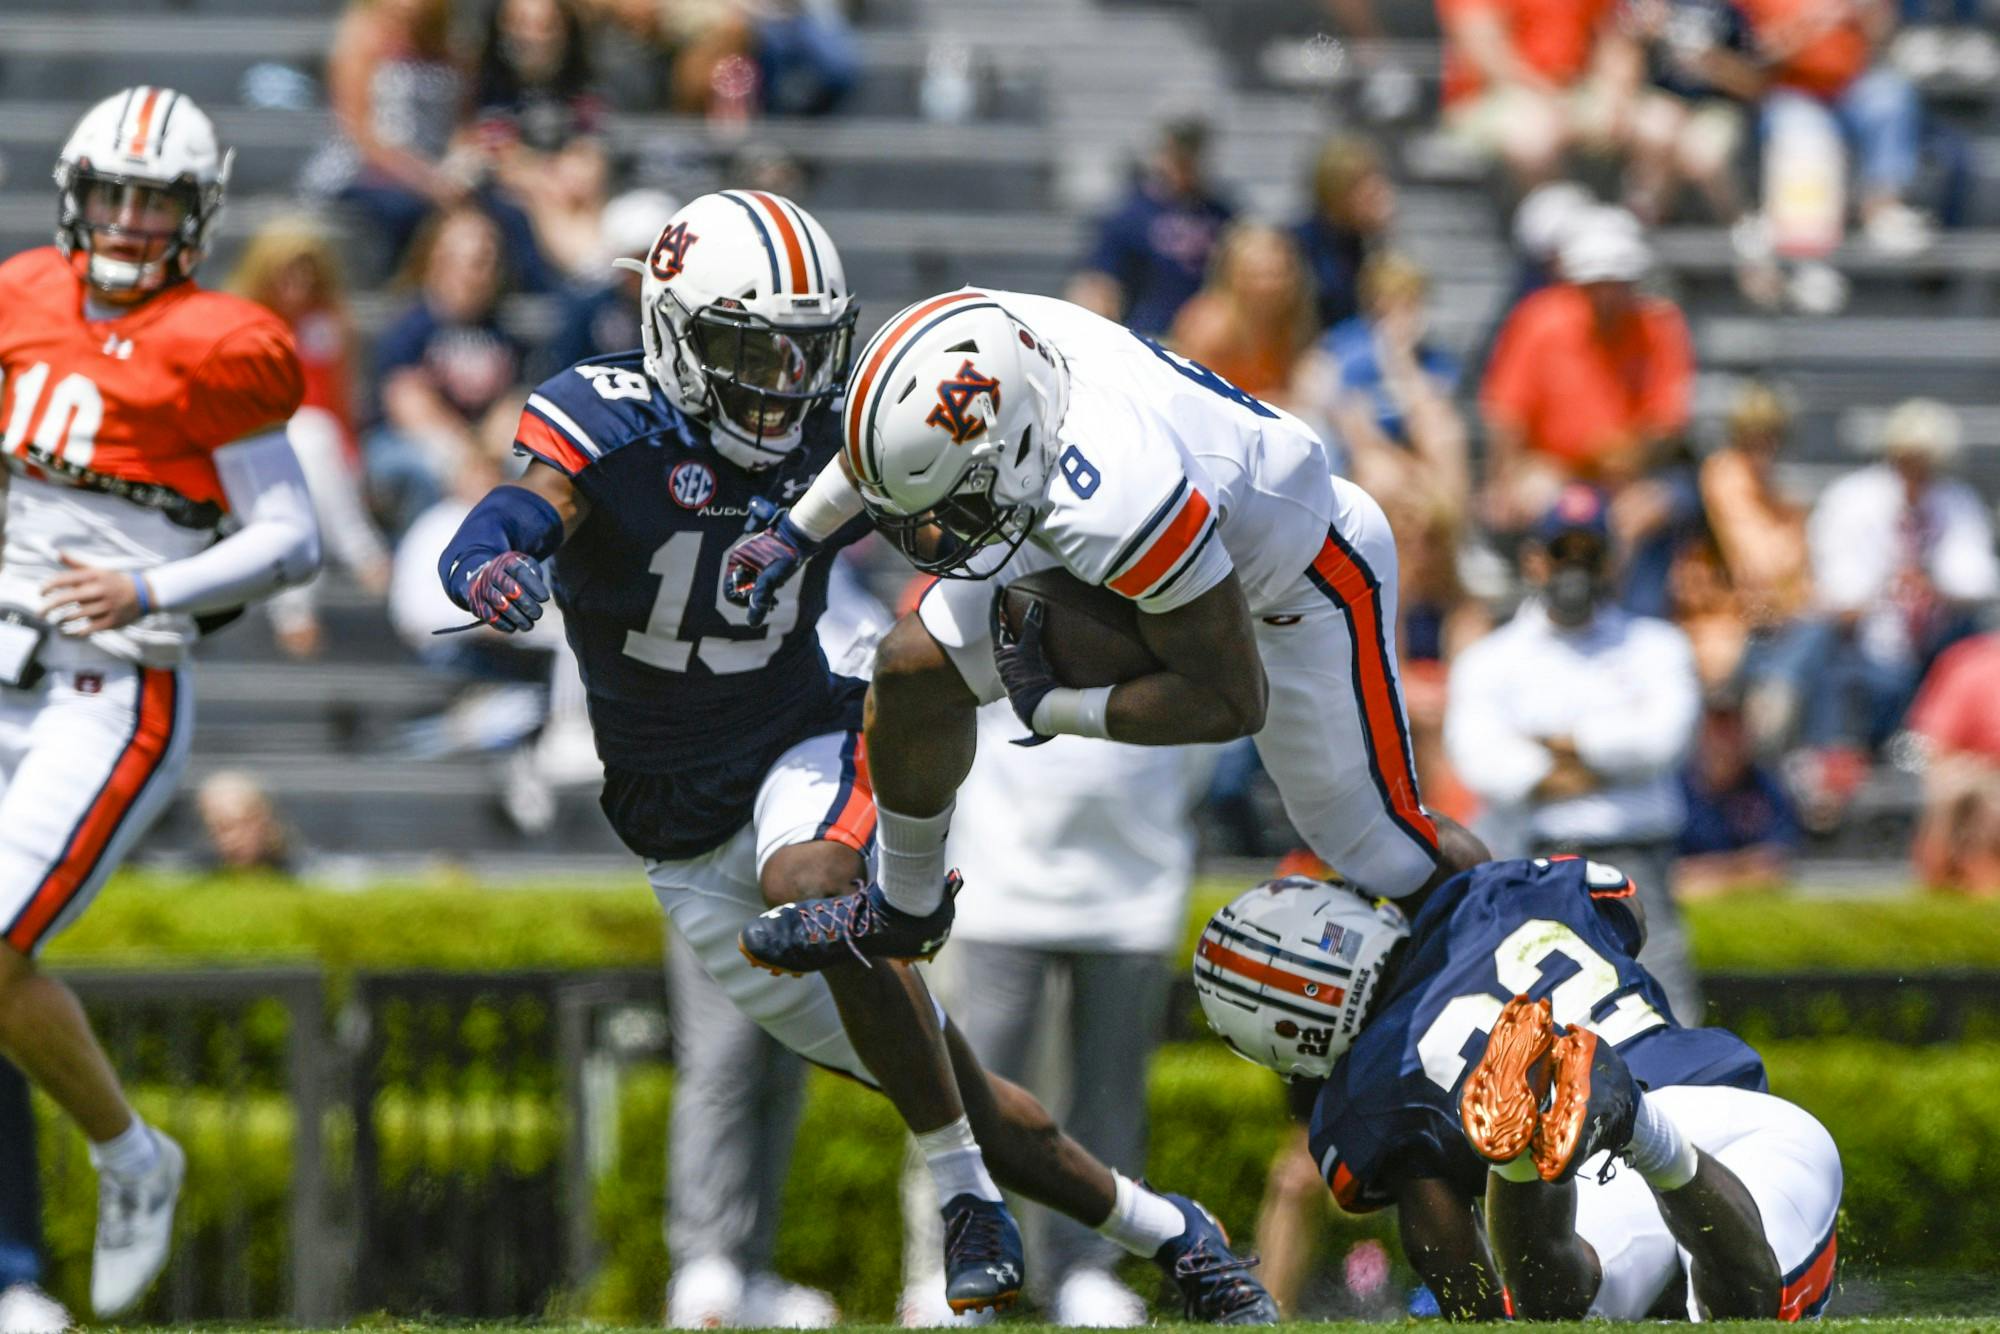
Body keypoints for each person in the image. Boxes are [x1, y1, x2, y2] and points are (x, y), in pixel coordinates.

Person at [433, 192, 1278, 1323]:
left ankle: (959, 1195)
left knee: (815, 881)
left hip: (804, 735)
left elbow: (966, 518)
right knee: (957, 1088)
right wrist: (489, 555)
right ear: (673, 336)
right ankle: (1170, 1233)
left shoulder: (838, 429)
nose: (785, 381)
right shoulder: (610, 420)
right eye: (752, 350)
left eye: (805, 348)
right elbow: (524, 504)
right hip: (677, 829)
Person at [721, 284, 1488, 989]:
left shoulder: (1118, 498)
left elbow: (1230, 699)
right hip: (1130, 524)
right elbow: (889, 443)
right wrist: (795, 533)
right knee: (912, 667)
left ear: (1010, 453)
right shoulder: (982, 346)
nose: (929, 534)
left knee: (1375, 846)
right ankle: (906, 909)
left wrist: (1051, 707)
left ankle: (1506, 947)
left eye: (952, 503)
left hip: (1295, 577)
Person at [0, 87, 319, 1317]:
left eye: (157, 201)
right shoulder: (25, 295)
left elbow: (290, 538)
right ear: (74, 196)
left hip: (109, 689)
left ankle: (131, 1156)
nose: (132, 221)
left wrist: (150, 583)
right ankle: (22, 1268)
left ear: (200, 212)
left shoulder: (215, 343)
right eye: (113, 195)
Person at [1193, 860, 1842, 1321]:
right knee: (1751, 1304)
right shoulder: (1490, 894)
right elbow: (1629, 913)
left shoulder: (1368, 1094)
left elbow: (1468, 1295)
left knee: (1552, 1309)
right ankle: (1629, 1122)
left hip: (1589, 1184)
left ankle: (1526, 1155)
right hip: (1730, 1108)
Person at [899, 700, 1218, 1326]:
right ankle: (953, 1263)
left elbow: (1204, 736)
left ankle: (1084, 1269)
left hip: (1136, 889)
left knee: (1109, 1096)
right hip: (997, 878)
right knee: (967, 1090)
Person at [1444, 486, 1702, 1019]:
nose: (1575, 569)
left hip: (1636, 861)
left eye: (1591, 554)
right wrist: (1609, 762)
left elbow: (1662, 740)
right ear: (1534, 559)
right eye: (1562, 552)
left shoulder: (1657, 645)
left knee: (1664, 1017)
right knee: (1525, 1025)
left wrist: (1558, 744)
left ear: (1612, 562)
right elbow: (1481, 761)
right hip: (1530, 859)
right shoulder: (1490, 660)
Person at [228, 216, 393, 659]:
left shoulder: (331, 325)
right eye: (286, 273)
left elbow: (339, 404)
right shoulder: (242, 327)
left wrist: (354, 462)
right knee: (305, 440)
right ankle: (362, 550)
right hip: (253, 453)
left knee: (311, 445)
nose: (297, 284)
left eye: (306, 273)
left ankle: (294, 611)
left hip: (319, 458)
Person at [1479, 210, 1694, 534]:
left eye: (1617, 284)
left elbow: (1668, 423)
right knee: (1541, 499)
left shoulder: (1660, 327)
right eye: (1596, 285)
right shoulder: (1540, 321)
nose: (1607, 296)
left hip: (1637, 476)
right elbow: (1507, 415)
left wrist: (1630, 456)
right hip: (1554, 471)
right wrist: (1504, 481)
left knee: (1649, 509)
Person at [1805, 398, 1997, 757]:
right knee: (1831, 653)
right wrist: (1888, 587)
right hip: (1865, 643)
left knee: (1971, 650)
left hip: (1936, 644)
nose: (1917, 471)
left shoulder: (1956, 502)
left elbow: (1976, 578)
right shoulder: (1851, 499)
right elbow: (1840, 590)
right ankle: (1836, 755)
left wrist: (1932, 586)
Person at [369, 206, 527, 534]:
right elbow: (410, 407)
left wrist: (489, 459)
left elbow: (511, 404)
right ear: (437, 260)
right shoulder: (411, 327)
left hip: (482, 448)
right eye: (472, 261)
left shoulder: (502, 330)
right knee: (421, 467)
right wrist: (464, 461)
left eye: (488, 261)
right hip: (416, 441)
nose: (480, 272)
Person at [1434, 0, 1642, 186]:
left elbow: (1615, 37)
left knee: (1655, 125)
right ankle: (1552, 211)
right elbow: (1486, 53)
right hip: (1490, 97)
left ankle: (1640, 211)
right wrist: (1552, 99)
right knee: (1536, 134)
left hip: (1573, 93)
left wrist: (1615, 95)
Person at [1066, 117, 1235, 337]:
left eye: (1190, 151)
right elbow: (1098, 284)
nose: (1183, 161)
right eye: (1176, 152)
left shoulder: (1222, 215)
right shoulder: (1129, 215)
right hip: (1148, 336)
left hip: (1208, 339)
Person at [1166, 223, 1316, 405]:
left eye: (1278, 274)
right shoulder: (1210, 330)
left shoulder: (1293, 324)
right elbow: (1195, 399)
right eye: (1255, 275)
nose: (1267, 286)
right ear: (1231, 277)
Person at [1675, 702, 1801, 898]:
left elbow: (1774, 866)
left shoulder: (1765, 786)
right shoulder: (1675, 789)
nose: (1724, 742)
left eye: (1733, 730)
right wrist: (1739, 867)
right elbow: (1668, 873)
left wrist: (1709, 874)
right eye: (1717, 730)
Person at [1907, 633, 2000, 895]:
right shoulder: (1971, 664)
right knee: (1957, 790)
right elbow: (1937, 746)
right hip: (1981, 773)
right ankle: (1948, 880)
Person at [1291, 135, 1396, 333]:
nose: (1378, 194)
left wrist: (1384, 236)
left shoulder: (1363, 243)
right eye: (1365, 188)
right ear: (1336, 191)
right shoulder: (1300, 242)